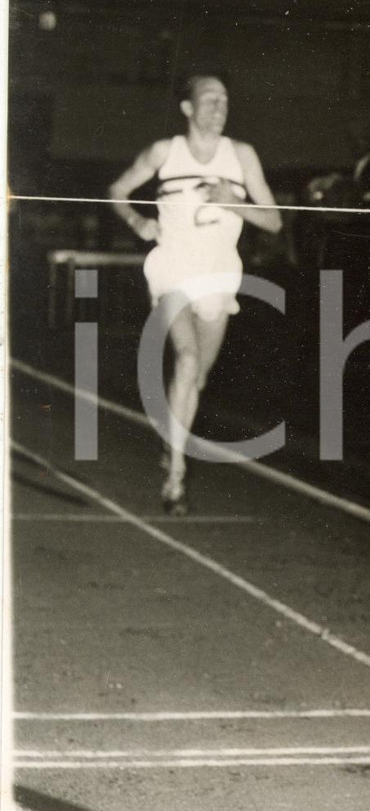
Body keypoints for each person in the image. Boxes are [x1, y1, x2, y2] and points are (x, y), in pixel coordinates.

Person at [109, 71, 282, 513]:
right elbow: (117, 191)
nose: (219, 108)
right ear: (187, 108)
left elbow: (274, 221)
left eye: (224, 100)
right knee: (185, 360)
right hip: (172, 267)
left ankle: (173, 445)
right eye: (209, 100)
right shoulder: (166, 152)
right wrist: (137, 221)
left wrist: (232, 200)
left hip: (220, 273)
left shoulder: (242, 155)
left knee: (196, 377)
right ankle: (176, 475)